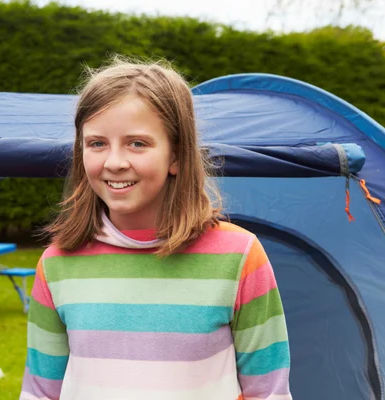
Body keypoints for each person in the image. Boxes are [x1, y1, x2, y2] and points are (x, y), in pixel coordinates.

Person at [20, 57, 292, 400]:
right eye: (97, 143)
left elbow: (268, 392)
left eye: (137, 143)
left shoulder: (239, 256)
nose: (114, 162)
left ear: (176, 156)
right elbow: (41, 392)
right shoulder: (57, 263)